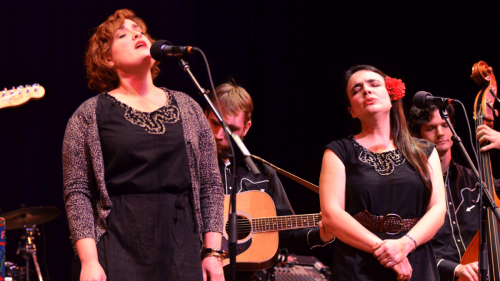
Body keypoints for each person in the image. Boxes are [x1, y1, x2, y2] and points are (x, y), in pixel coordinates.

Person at [62, 9, 224, 281]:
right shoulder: (87, 115)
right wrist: (89, 261)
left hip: (182, 246)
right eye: (123, 34)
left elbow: (210, 184)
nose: (137, 33)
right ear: (108, 58)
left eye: (140, 31)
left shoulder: (190, 108)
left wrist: (212, 253)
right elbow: (77, 191)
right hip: (119, 246)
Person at [319, 65, 446, 281]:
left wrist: (405, 245)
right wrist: (387, 251)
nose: (366, 91)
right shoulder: (338, 152)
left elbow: (438, 208)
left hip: (415, 260)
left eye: (374, 84)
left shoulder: (424, 150)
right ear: (351, 110)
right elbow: (332, 215)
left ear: (391, 95)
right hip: (358, 266)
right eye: (356, 90)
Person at [205, 81, 334, 280]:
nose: (218, 135)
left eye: (230, 129)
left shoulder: (263, 173)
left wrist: (322, 235)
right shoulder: (185, 165)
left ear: (246, 128)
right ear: (205, 115)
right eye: (214, 123)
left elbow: (285, 233)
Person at [408, 103, 500, 281]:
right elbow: (410, 247)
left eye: (444, 125)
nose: (441, 133)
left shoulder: (476, 180)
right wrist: (455, 269)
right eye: (431, 128)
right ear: (418, 136)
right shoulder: (412, 187)